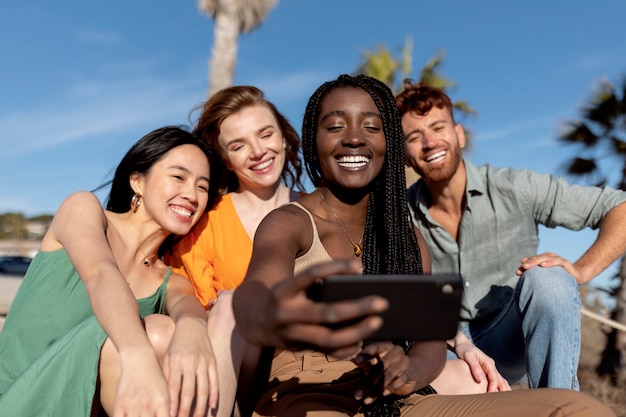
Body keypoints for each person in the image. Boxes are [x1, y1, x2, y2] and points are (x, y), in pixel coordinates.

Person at [232, 74, 616, 417]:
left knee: (575, 409)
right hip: (307, 395)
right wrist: (271, 316)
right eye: (334, 126)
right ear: (315, 143)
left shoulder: (407, 236)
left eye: (371, 126)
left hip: (396, 399)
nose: (353, 137)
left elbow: (430, 340)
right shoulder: (289, 222)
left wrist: (409, 370)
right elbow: (255, 293)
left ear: (389, 145)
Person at [395, 80, 626, 390]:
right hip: (447, 351)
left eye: (438, 127)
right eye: (414, 136)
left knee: (549, 279)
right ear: (405, 153)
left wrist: (582, 270)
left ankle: (558, 403)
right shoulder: (399, 216)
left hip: (510, 337)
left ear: (459, 134)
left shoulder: (514, 187)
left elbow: (619, 207)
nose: (430, 142)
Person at [0, 126, 219, 417]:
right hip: (19, 401)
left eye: (202, 187)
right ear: (137, 181)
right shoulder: (83, 210)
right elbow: (101, 274)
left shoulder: (169, 280)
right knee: (148, 333)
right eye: (178, 177)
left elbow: (188, 307)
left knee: (166, 331)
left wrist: (194, 328)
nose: (191, 194)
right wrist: (136, 353)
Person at [165, 85, 305, 417]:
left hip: (312, 364)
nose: (258, 151)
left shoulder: (319, 210)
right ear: (226, 161)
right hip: (241, 372)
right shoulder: (208, 221)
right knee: (232, 302)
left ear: (283, 137)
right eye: (239, 145)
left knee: (456, 374)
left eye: (265, 134)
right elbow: (190, 302)